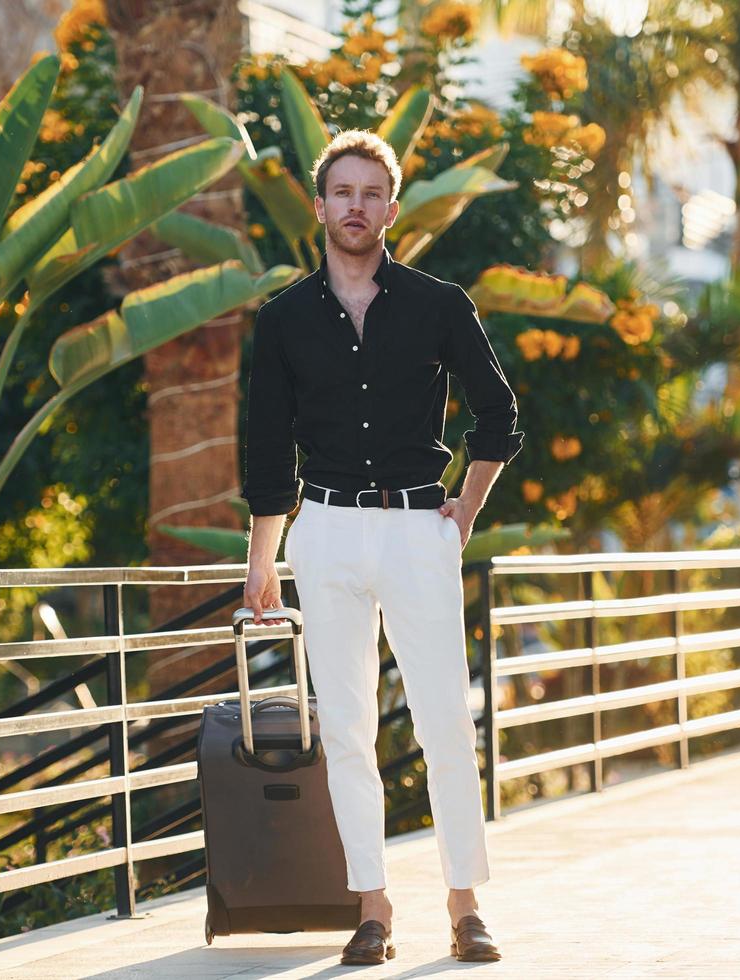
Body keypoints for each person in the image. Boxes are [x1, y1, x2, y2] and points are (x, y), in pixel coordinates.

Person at [239, 128, 524, 966]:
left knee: (444, 722)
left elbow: (499, 416)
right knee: (351, 730)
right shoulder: (283, 320)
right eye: (342, 192)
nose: (355, 206)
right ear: (320, 207)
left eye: (371, 193)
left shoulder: (440, 305)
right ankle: (372, 905)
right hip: (322, 533)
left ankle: (465, 904)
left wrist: (463, 515)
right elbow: (265, 451)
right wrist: (262, 560)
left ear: (390, 209)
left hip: (415, 530)